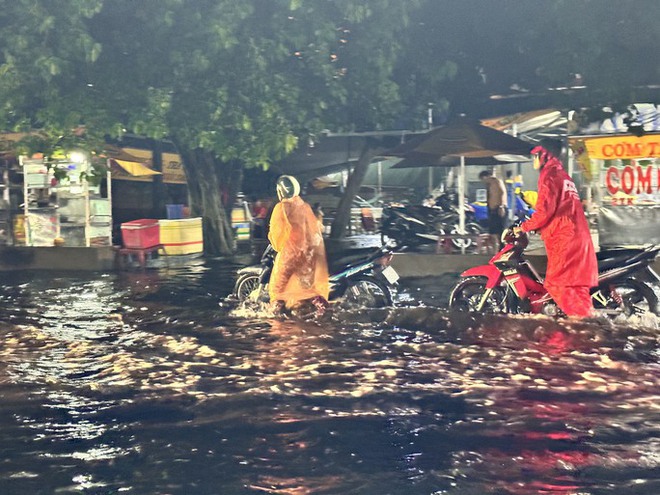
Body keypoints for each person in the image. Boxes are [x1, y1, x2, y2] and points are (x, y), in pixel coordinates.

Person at [513, 139, 597, 318]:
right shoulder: (563, 175)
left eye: (535, 156)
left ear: (544, 155)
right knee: (575, 285)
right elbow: (559, 209)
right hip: (578, 237)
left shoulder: (549, 175)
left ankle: (579, 323)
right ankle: (589, 319)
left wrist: (524, 227)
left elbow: (544, 211)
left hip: (564, 239)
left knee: (556, 283)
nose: (533, 160)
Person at [268, 175, 330, 315]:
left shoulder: (282, 207)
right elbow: (315, 231)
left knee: (277, 290)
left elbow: (277, 238)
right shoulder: (305, 207)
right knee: (307, 289)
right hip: (308, 255)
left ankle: (276, 319)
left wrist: (274, 239)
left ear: (281, 191)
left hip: (290, 255)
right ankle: (322, 309)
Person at [478, 169, 508, 252]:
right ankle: (497, 248)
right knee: (493, 231)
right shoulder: (489, 185)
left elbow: (502, 193)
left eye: (484, 179)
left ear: (486, 177)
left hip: (499, 208)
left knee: (501, 230)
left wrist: (501, 206)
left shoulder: (496, 182)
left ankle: (503, 248)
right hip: (492, 210)